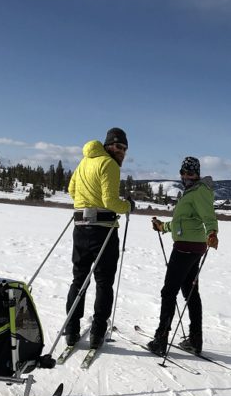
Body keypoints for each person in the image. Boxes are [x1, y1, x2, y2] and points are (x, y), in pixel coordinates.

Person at [64, 128, 133, 349]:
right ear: (108, 145)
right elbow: (110, 201)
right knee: (104, 282)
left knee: (79, 279)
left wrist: (86, 203)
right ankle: (97, 334)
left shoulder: (84, 162)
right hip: (103, 229)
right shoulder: (109, 164)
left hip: (80, 228)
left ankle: (71, 331)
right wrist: (128, 206)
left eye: (124, 148)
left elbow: (71, 190)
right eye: (118, 146)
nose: (121, 152)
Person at [147, 156, 219, 356]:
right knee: (190, 292)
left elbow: (209, 217)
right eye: (184, 172)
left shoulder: (200, 191)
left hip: (186, 249)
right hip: (191, 247)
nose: (186, 176)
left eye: (191, 173)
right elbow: (183, 222)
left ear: (197, 174)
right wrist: (163, 227)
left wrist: (212, 233)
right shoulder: (190, 192)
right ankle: (195, 340)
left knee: (169, 292)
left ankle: (160, 339)